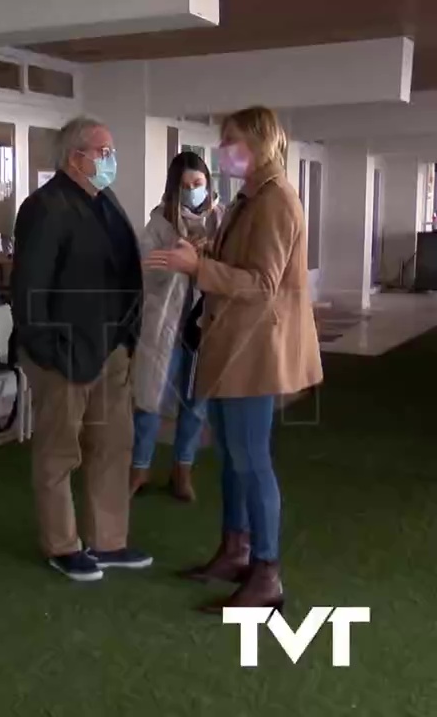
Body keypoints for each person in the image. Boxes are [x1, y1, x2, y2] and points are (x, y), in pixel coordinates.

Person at [146, 106, 322, 612]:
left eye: (233, 141)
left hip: (254, 350)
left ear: (263, 143)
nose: (224, 151)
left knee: (250, 460)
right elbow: (242, 267)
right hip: (232, 345)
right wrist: (201, 254)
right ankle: (236, 550)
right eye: (224, 141)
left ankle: (266, 572)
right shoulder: (253, 197)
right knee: (231, 459)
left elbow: (262, 283)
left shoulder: (276, 200)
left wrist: (197, 266)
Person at [11, 116, 152, 582]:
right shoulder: (45, 207)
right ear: (75, 157)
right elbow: (29, 289)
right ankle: (62, 545)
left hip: (111, 348)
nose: (110, 160)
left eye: (110, 152)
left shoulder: (105, 202)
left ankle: (108, 541)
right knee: (59, 452)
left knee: (112, 446)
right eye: (103, 152)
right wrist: (49, 351)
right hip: (65, 354)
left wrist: (127, 339)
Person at [129, 151, 224, 502]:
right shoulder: (159, 224)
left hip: (203, 327)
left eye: (198, 184)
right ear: (173, 188)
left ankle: (182, 469)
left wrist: (203, 259)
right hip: (164, 325)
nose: (192, 192)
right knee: (149, 398)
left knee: (195, 401)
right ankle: (140, 467)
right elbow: (145, 270)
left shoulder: (222, 222)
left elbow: (230, 268)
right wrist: (178, 260)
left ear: (208, 184)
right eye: (184, 186)